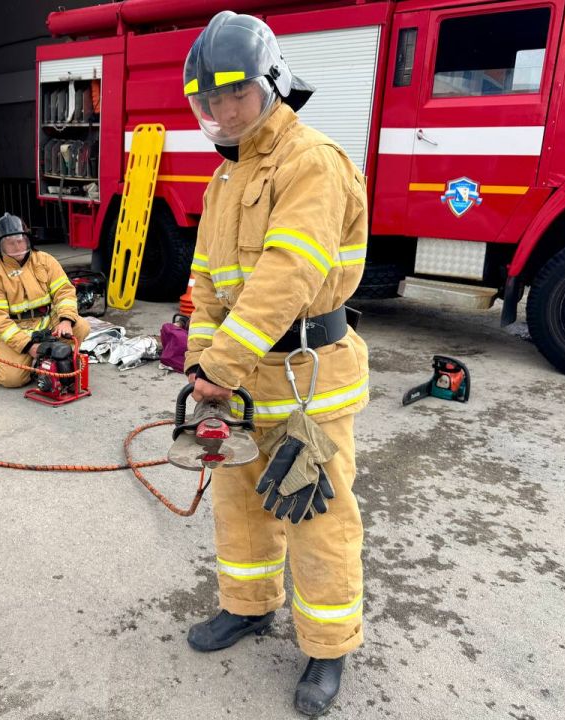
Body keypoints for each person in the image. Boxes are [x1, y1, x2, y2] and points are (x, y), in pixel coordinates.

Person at [181, 11, 370, 717]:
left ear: (272, 84)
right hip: (239, 380)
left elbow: (287, 275)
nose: (223, 111)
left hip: (306, 380)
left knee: (317, 517)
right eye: (209, 101)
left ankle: (327, 647)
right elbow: (206, 284)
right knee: (239, 505)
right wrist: (204, 361)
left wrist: (220, 366)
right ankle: (249, 605)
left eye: (234, 94)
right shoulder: (222, 182)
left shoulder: (311, 160)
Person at [0, 213, 90, 388]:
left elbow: (65, 292)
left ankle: (56, 361)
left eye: (20, 240)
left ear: (28, 240)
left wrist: (66, 320)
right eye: (10, 242)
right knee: (11, 379)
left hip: (47, 323)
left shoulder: (45, 261)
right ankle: (14, 361)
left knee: (81, 326)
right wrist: (28, 346)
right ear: (0, 245)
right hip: (17, 330)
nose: (16, 246)